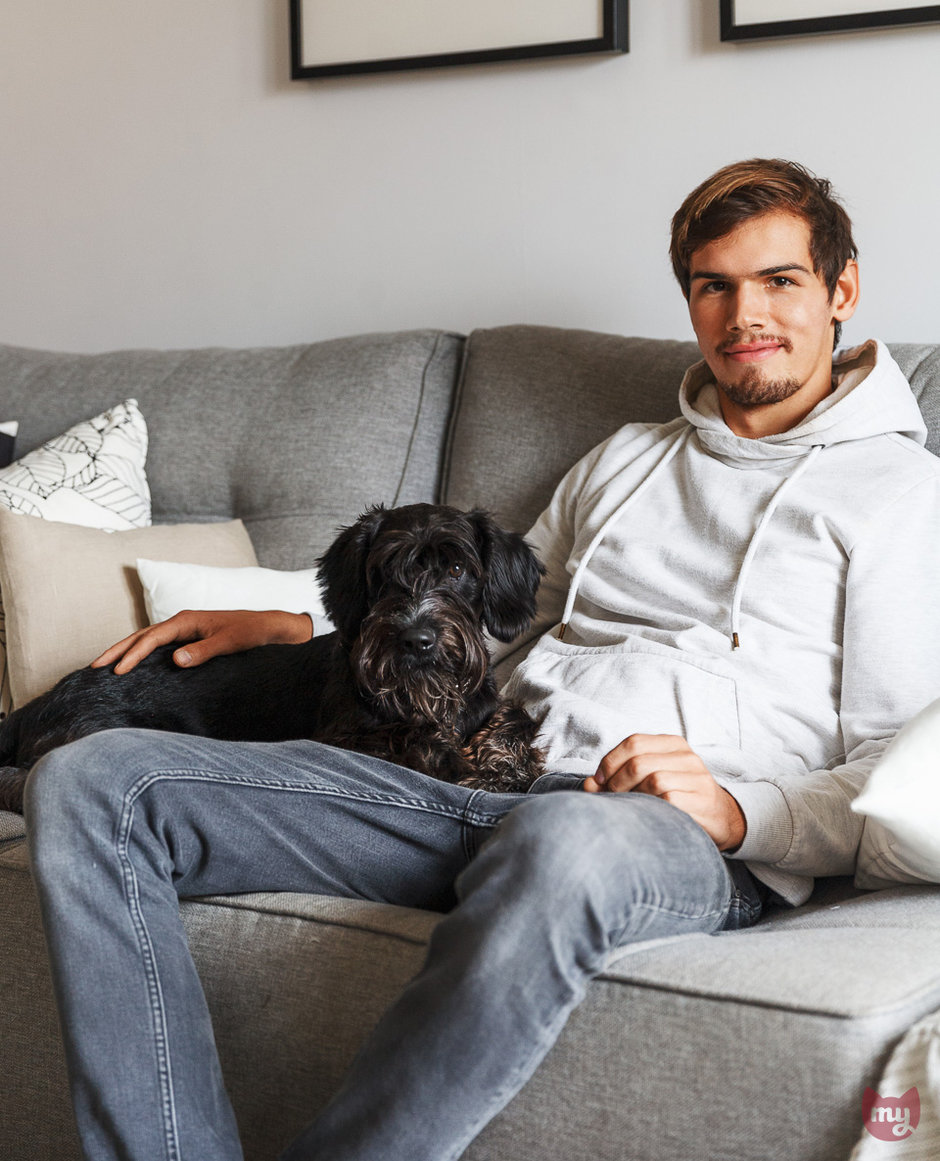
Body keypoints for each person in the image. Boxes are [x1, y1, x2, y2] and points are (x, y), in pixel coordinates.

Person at [24, 158, 940, 1161]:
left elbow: (894, 779)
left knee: (567, 841)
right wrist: (292, 619)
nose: (743, 314)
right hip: (471, 781)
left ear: (840, 289)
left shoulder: (899, 497)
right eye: (713, 284)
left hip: (664, 834)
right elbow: (483, 615)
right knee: (89, 779)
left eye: (778, 281)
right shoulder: (624, 459)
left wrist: (738, 809)